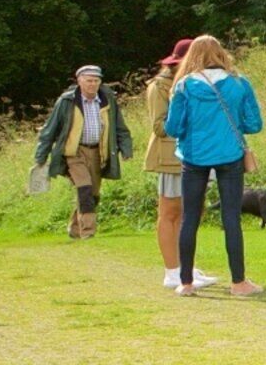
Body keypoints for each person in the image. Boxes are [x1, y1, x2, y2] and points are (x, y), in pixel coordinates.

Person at [161, 35, 264, 299]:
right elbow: (254, 124)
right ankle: (238, 282)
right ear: (221, 53)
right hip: (229, 155)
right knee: (231, 217)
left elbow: (172, 127)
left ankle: (186, 282)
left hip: (194, 157)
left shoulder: (184, 86)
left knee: (190, 218)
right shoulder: (239, 83)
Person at [32, 65, 131, 242]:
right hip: (74, 152)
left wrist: (126, 149)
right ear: (79, 81)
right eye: (89, 80)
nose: (92, 84)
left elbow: (120, 127)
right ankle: (88, 232)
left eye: (96, 81)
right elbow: (49, 130)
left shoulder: (107, 99)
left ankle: (75, 228)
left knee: (93, 194)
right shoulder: (66, 101)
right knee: (84, 188)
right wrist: (41, 157)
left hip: (98, 151)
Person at [137, 40, 195, 286]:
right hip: (171, 157)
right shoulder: (160, 87)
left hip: (194, 154)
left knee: (189, 214)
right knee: (170, 213)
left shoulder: (193, 85)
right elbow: (159, 127)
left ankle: (185, 268)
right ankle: (172, 270)